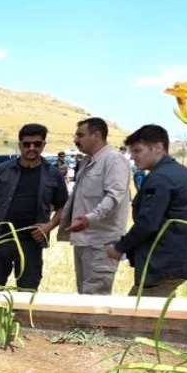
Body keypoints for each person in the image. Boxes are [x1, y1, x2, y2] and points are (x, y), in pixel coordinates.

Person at [108, 124, 187, 297]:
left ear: (158, 148)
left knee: (137, 315)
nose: (132, 157)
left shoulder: (161, 178)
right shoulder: (179, 173)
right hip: (176, 257)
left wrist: (120, 247)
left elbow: (147, 223)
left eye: (137, 151)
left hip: (164, 261)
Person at [0, 123, 69, 291]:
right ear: (20, 145)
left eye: (37, 144)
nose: (32, 148)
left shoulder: (53, 174)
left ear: (43, 145)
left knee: (28, 291)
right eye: (27, 144)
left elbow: (63, 206)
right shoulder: (3, 170)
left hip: (31, 243)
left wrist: (49, 226)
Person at [57, 117, 130, 295]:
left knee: (96, 297)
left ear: (96, 135)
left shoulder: (114, 160)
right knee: (84, 295)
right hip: (84, 239)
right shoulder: (87, 162)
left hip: (102, 242)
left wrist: (90, 219)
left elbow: (114, 197)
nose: (76, 140)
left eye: (81, 135)